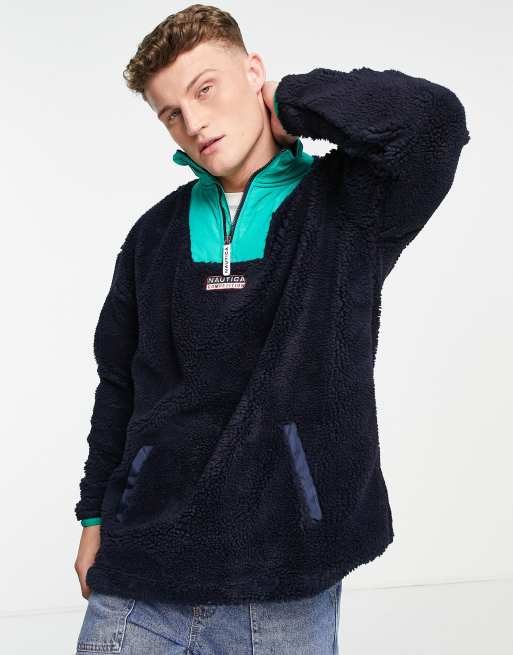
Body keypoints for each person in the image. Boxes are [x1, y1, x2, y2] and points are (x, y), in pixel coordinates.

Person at [73, 3, 470, 653]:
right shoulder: (153, 237)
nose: (193, 122)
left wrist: (291, 102)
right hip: (143, 567)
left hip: (286, 571)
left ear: (252, 72)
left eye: (206, 88)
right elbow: (118, 382)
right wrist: (93, 515)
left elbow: (432, 120)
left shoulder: (349, 206)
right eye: (170, 112)